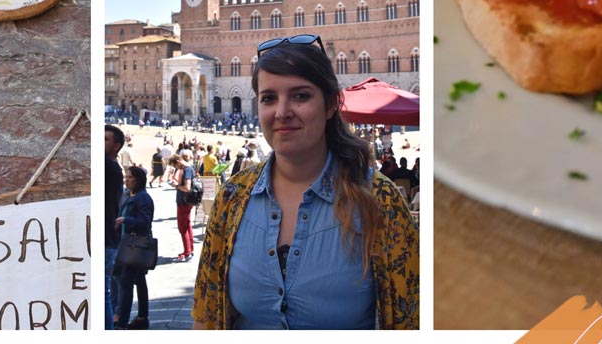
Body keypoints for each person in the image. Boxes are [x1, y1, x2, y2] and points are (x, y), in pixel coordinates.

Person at [191, 34, 419, 329]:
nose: (282, 112)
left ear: (330, 105)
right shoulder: (232, 196)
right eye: (268, 98)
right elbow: (206, 316)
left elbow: (410, 320)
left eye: (300, 96)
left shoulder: (379, 199)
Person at [115, 166, 154, 329]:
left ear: (138, 180)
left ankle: (122, 321)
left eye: (130, 177)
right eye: (126, 177)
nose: (126, 179)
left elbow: (145, 222)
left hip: (135, 247)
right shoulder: (129, 195)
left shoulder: (143, 198)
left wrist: (126, 220)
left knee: (126, 282)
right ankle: (142, 317)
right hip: (127, 245)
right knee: (139, 281)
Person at [104, 125, 125, 330]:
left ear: (116, 145)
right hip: (106, 240)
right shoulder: (112, 168)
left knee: (103, 295)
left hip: (106, 242)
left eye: (106, 139)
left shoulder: (110, 168)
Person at [167, 153, 196, 261]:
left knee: (182, 227)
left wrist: (176, 186)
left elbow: (187, 188)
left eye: (175, 166)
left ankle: (187, 252)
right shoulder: (189, 168)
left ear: (178, 162)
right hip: (187, 202)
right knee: (187, 226)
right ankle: (189, 249)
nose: (176, 168)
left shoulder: (187, 170)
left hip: (183, 202)